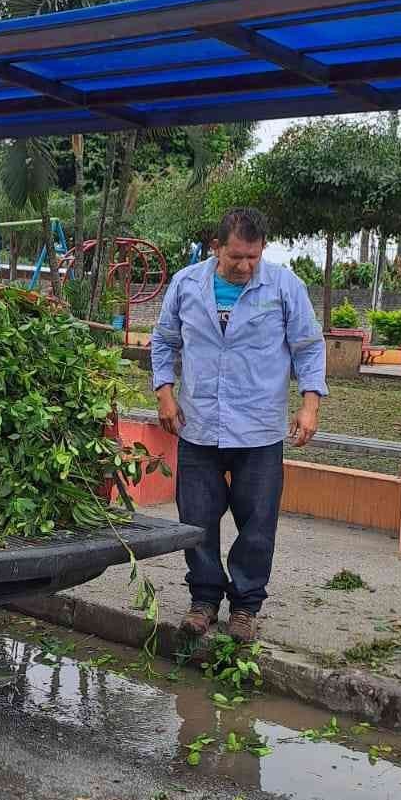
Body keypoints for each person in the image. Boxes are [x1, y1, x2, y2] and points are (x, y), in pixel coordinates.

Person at [150, 206, 327, 644]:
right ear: (216, 248)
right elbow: (164, 342)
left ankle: (246, 606)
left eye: (253, 257)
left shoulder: (284, 286)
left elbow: (308, 347)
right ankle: (204, 600)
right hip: (199, 423)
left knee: (258, 522)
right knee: (196, 518)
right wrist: (165, 395)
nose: (246, 266)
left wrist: (310, 406)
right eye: (236, 257)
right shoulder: (185, 285)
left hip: (259, 428)